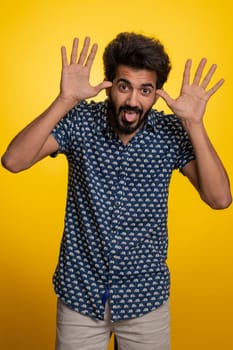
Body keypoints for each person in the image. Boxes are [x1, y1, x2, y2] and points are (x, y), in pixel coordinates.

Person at [1, 32, 232, 350]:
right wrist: (66, 100)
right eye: (124, 86)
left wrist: (194, 123)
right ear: (109, 84)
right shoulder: (80, 122)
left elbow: (220, 199)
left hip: (145, 300)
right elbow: (14, 161)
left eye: (145, 90)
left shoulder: (169, 133)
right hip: (80, 297)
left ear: (156, 93)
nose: (133, 101)